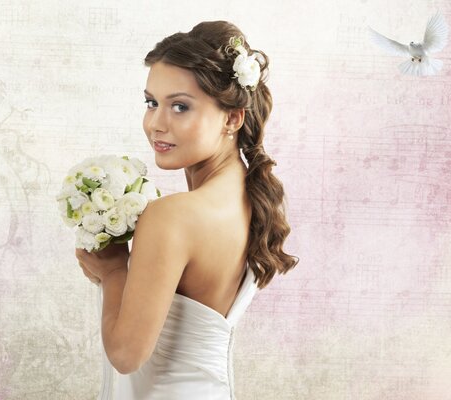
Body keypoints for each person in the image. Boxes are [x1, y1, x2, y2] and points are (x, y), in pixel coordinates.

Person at [75, 20, 299, 399]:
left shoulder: (172, 216)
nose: (156, 124)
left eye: (180, 106)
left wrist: (114, 271)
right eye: (151, 103)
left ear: (232, 117)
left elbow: (127, 355)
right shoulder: (249, 197)